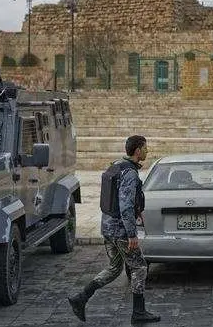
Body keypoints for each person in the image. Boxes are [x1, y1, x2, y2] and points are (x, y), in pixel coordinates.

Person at [68, 135, 160, 324]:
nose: (147, 151)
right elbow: (125, 205)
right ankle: (138, 312)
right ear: (137, 151)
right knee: (140, 267)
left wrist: (137, 211)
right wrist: (132, 234)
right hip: (121, 231)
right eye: (145, 148)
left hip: (108, 227)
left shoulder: (117, 165)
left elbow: (118, 201)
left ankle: (81, 298)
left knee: (114, 267)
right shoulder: (130, 173)